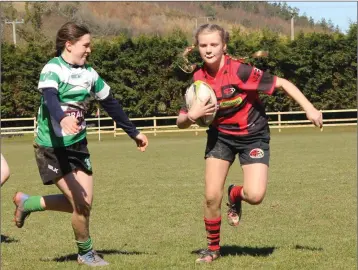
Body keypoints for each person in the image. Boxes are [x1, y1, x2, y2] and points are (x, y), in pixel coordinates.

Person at [176, 24, 323, 263]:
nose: (209, 50)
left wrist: (310, 109)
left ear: (224, 46)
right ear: (197, 48)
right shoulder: (198, 79)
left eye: (214, 45)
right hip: (220, 137)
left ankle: (235, 194)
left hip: (253, 135)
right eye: (204, 45)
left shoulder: (241, 72)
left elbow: (283, 83)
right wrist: (192, 115)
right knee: (211, 196)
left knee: (255, 195)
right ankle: (213, 249)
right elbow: (180, 121)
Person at [12, 22, 149, 267]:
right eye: (85, 45)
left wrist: (133, 132)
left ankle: (28, 203)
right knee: (80, 204)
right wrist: (63, 118)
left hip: (77, 146)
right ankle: (85, 253)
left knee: (82, 205)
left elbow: (111, 103)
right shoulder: (52, 69)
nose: (89, 49)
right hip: (51, 149)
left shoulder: (90, 74)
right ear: (69, 44)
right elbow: (50, 98)